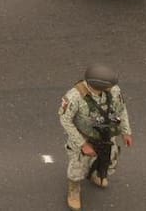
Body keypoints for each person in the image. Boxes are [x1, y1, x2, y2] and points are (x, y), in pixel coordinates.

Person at [59, 64, 133, 210]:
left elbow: (121, 109)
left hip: (106, 135)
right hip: (84, 137)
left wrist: (126, 131)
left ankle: (95, 174)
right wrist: (82, 144)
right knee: (77, 167)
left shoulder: (114, 90)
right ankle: (74, 191)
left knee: (107, 158)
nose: (112, 87)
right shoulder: (75, 97)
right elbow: (65, 120)